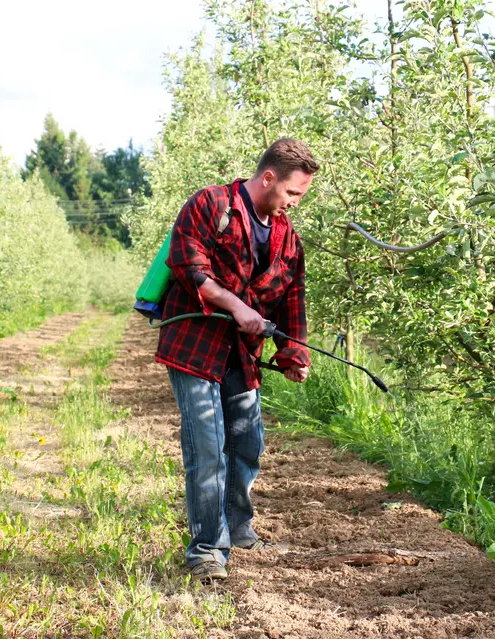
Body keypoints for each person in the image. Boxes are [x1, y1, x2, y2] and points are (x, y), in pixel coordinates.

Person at [155, 138, 317, 582]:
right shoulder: (210, 204)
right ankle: (206, 550)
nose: (294, 204)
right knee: (208, 450)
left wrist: (293, 354)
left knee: (246, 443)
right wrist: (237, 307)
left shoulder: (287, 240)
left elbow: (293, 301)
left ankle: (239, 530)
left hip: (241, 355)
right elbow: (190, 267)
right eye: (292, 194)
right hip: (195, 345)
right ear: (269, 178)